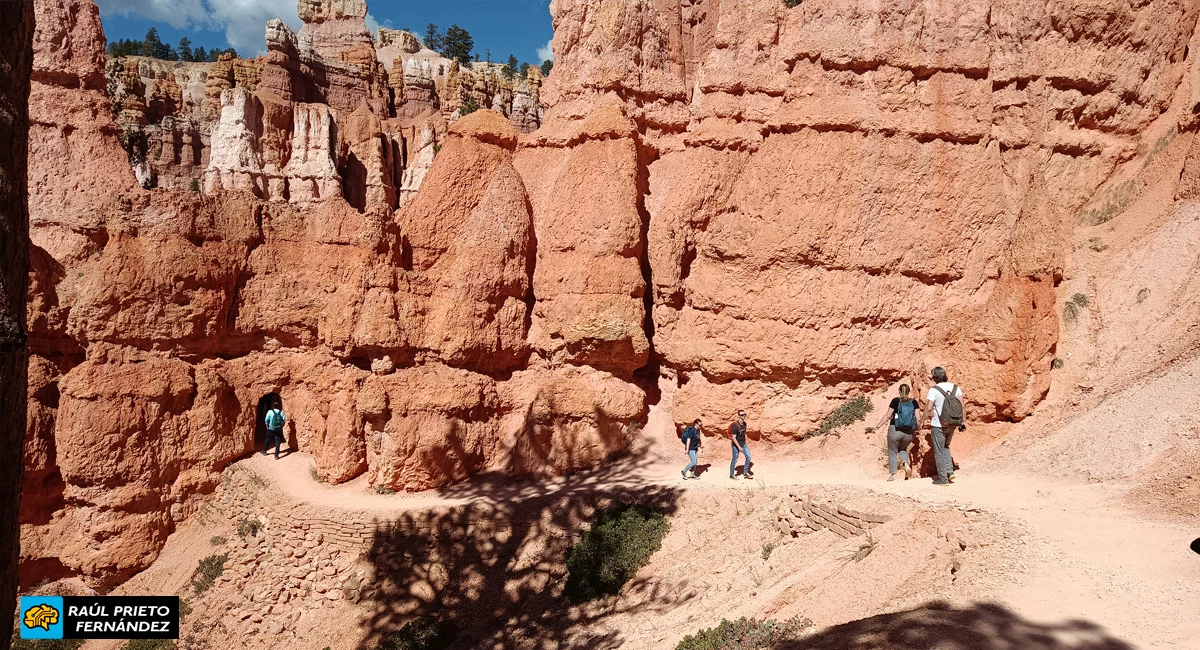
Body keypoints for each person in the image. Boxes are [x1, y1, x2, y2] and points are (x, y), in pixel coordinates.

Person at [924, 367, 965, 486]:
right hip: (953, 423)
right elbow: (962, 406)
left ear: (934, 377)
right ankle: (949, 472)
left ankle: (943, 478)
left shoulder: (934, 390)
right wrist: (964, 421)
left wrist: (922, 420)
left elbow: (929, 408)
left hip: (939, 425)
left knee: (939, 451)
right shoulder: (956, 388)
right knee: (946, 446)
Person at [870, 384, 919, 481]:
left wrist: (877, 426)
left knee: (892, 452)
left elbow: (888, 415)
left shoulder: (896, 401)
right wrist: (918, 428)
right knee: (903, 449)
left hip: (895, 430)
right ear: (909, 391)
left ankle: (893, 475)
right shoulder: (914, 402)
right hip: (909, 431)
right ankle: (906, 465)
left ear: (899, 391)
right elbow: (918, 418)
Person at [729, 410, 754, 479]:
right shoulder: (735, 425)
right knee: (735, 459)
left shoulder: (744, 424)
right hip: (736, 445)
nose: (744, 416)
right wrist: (739, 447)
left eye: (744, 414)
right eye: (742, 415)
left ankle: (745, 472)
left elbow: (743, 434)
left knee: (748, 457)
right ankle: (731, 474)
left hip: (743, 444)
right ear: (739, 416)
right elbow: (733, 437)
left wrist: (745, 443)